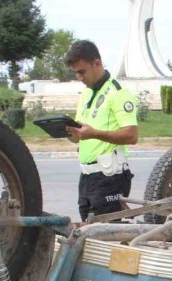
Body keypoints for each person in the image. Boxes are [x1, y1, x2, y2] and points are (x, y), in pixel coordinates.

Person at [64, 40, 139, 221]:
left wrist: (94, 133)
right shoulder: (86, 94)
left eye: (82, 72)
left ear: (97, 63)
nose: (79, 78)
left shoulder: (118, 93)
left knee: (107, 236)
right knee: (88, 235)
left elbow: (132, 135)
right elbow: (82, 136)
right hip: (87, 177)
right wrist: (72, 134)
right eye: (76, 74)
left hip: (110, 177)